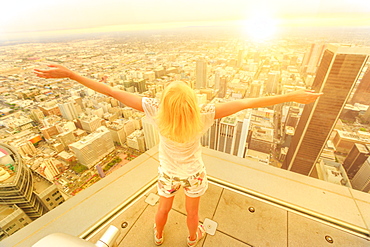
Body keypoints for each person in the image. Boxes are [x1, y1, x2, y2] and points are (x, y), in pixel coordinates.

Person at [34, 64, 322, 246]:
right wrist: (291, 96)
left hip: (167, 174)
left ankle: (158, 237)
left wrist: (71, 73)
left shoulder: (156, 111)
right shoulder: (204, 114)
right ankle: (192, 238)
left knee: (163, 208)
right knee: (194, 213)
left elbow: (110, 90)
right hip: (194, 173)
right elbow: (247, 102)